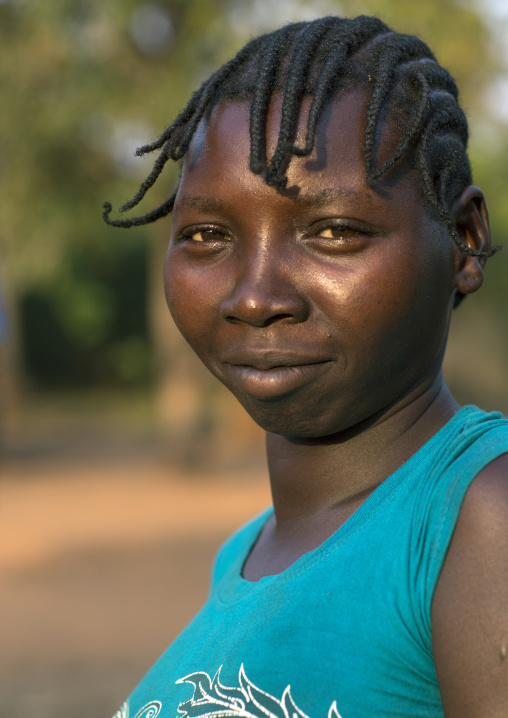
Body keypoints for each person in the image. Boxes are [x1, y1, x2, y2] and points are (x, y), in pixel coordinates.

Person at [104, 15, 508, 718]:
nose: (256, 296)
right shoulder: (245, 556)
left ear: (464, 243)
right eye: (207, 235)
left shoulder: (480, 517)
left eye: (334, 232)